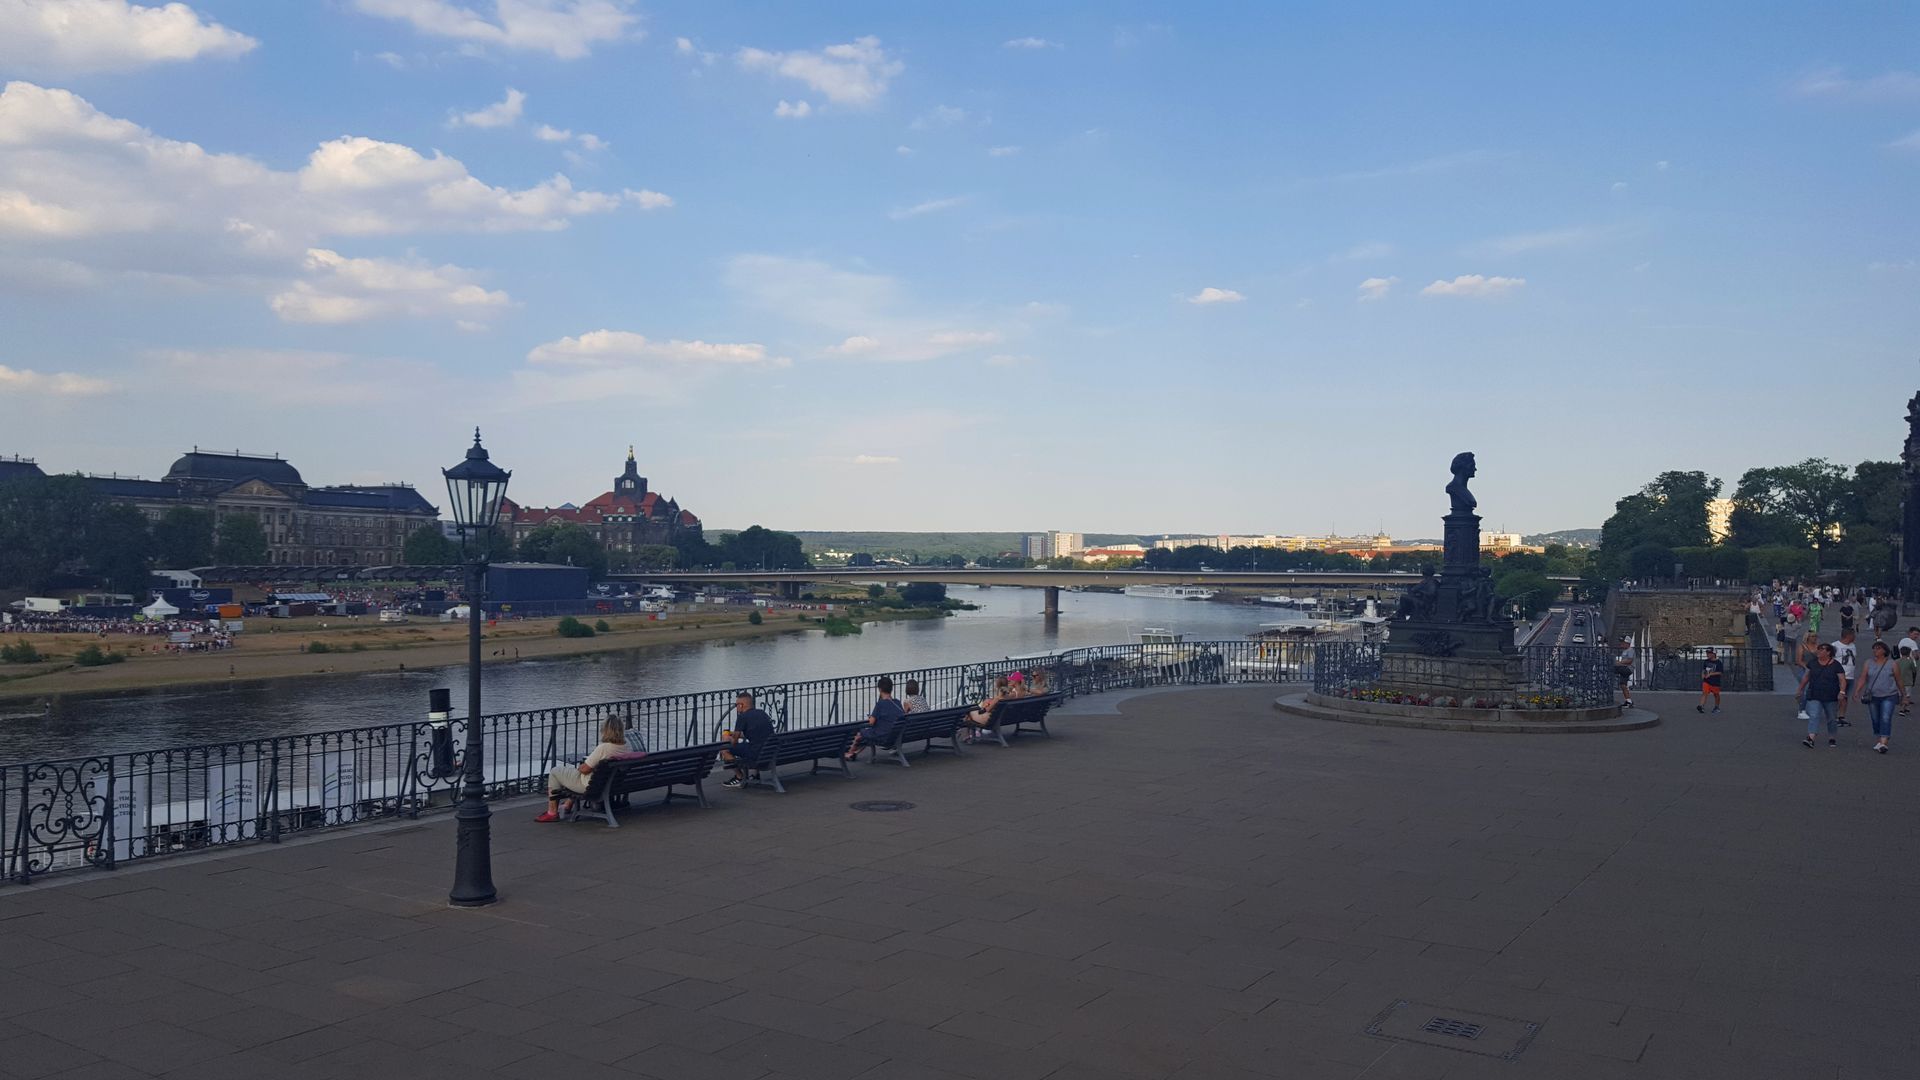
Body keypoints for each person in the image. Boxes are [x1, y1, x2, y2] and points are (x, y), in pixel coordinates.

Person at [536, 716, 630, 822]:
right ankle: (567, 805)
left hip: (591, 786)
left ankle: (552, 812)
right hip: (614, 784)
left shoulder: (604, 748)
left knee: (555, 772)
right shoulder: (627, 746)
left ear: (606, 731)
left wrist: (581, 767)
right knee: (574, 776)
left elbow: (585, 769)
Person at [719, 691, 776, 788]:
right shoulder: (762, 713)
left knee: (724, 749)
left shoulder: (742, 717)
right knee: (756, 743)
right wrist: (733, 733)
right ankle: (756, 775)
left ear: (741, 705)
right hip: (771, 752)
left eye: (736, 705)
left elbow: (734, 742)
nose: (736, 707)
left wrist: (726, 738)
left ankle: (739, 777)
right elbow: (755, 734)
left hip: (756, 754)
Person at [1857, 641, 1904, 753]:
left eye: (1878, 648)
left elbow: (1898, 679)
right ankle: (1879, 738)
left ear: (1884, 651)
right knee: (1875, 719)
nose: (1875, 651)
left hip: (1889, 695)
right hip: (1873, 695)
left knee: (1885, 717)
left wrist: (1904, 694)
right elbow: (1863, 677)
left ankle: (1884, 741)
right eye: (1874, 648)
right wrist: (1857, 691)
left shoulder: (1892, 664)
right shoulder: (1868, 663)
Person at [845, 676, 906, 760]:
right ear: (891, 689)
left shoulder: (880, 704)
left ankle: (849, 753)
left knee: (861, 733)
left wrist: (871, 718)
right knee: (868, 733)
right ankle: (854, 753)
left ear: (880, 689)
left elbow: (871, 722)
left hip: (885, 737)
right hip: (897, 735)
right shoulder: (897, 702)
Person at [1800, 644, 1848, 748]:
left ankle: (1832, 736)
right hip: (1815, 694)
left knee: (1831, 718)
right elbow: (1806, 677)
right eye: (1818, 649)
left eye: (1822, 650)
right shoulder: (1812, 663)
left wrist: (1842, 692)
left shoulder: (1836, 665)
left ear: (1828, 652)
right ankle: (1811, 737)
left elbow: (1842, 680)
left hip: (1830, 696)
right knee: (1814, 715)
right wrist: (1800, 689)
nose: (1819, 651)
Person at [963, 674, 1013, 740]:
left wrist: (986, 705)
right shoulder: (1010, 697)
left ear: (997, 686)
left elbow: (988, 709)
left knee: (969, 713)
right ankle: (971, 734)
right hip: (1004, 718)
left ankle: (969, 735)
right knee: (970, 713)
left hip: (990, 720)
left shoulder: (997, 699)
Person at [1830, 629, 1860, 726]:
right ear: (1848, 635)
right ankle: (1832, 715)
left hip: (1850, 675)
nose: (1855, 637)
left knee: (1845, 697)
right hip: (1839, 675)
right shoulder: (1835, 646)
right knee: (1838, 696)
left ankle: (1841, 716)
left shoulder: (1853, 646)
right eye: (1853, 635)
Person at [1697, 650, 1724, 714]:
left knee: (1716, 694)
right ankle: (1701, 706)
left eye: (1709, 653)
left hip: (1715, 681)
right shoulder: (1706, 661)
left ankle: (1717, 707)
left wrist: (1711, 674)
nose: (1707, 654)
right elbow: (1704, 669)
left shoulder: (1718, 662)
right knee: (1704, 693)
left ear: (1713, 654)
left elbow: (1720, 672)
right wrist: (1703, 674)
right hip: (1707, 681)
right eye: (1707, 653)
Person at [1614, 637, 1636, 708]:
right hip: (1624, 668)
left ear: (1627, 643)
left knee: (1611, 669)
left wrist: (1619, 663)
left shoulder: (1630, 650)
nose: (1621, 644)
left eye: (1623, 643)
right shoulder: (1625, 650)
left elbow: (1629, 661)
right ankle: (1629, 701)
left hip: (1628, 668)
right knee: (1623, 685)